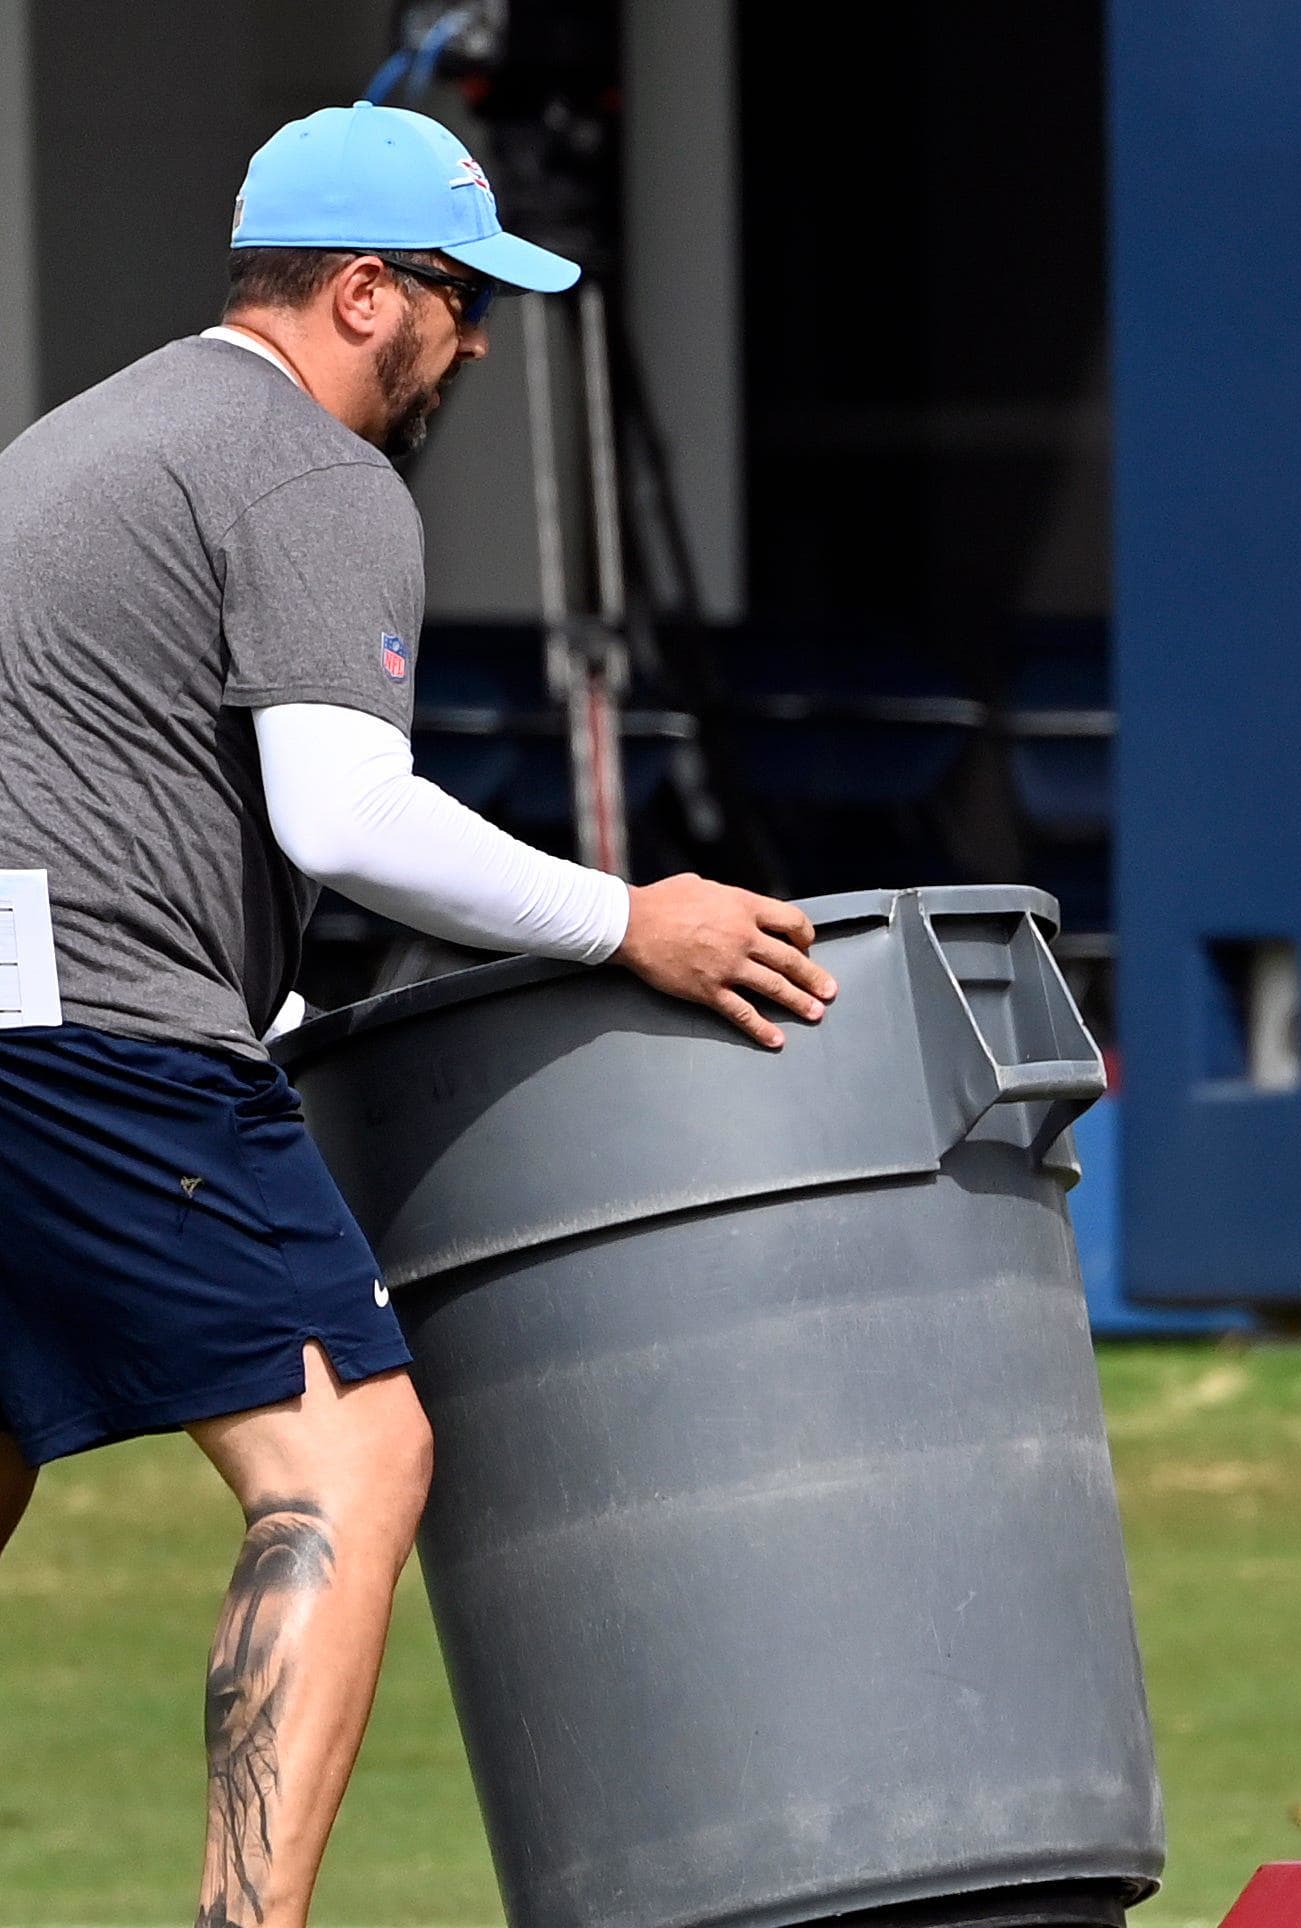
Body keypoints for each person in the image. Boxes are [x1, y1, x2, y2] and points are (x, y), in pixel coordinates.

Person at [0, 103, 833, 1928]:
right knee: (351, 1453)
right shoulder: (306, 469)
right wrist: (633, 919)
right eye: (462, 303)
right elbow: (348, 816)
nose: (473, 346)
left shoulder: (86, 436)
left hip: (31, 1010)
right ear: (364, 292)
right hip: (94, 1034)